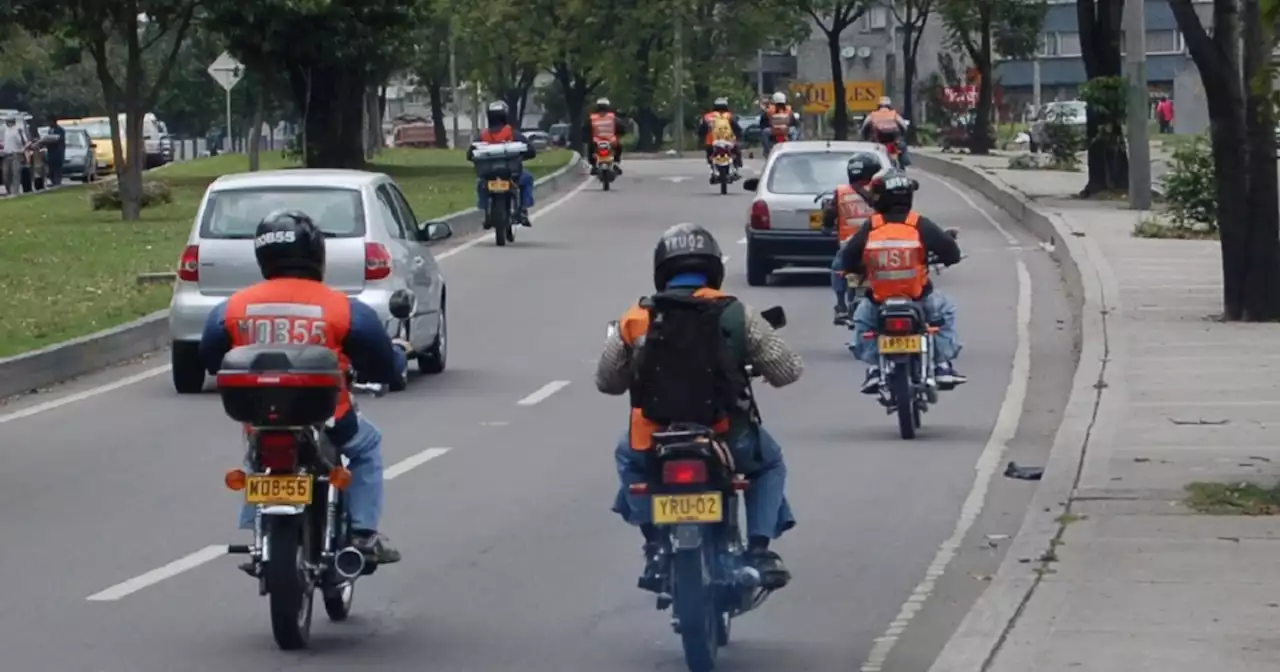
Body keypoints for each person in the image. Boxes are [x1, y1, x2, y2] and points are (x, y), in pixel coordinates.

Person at [597, 223, 803, 594]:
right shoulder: (736, 313)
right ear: (713, 268)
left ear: (662, 270)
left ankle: (655, 545)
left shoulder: (635, 317)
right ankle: (759, 550)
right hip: (726, 436)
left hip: (654, 440)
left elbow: (607, 382)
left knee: (627, 458)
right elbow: (788, 370)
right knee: (769, 464)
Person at [198, 210, 407, 571]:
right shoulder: (341, 307)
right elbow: (381, 362)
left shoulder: (231, 308)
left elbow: (210, 356)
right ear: (316, 254)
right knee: (367, 447)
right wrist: (396, 362)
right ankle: (364, 534)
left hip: (259, 418)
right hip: (329, 419)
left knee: (256, 458)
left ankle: (255, 528)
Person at [838, 170, 967, 393]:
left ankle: (875, 369)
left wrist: (858, 269)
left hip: (878, 303)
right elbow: (952, 254)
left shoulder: (872, 226)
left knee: (862, 321)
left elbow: (847, 259)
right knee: (945, 312)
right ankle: (941, 365)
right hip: (920, 299)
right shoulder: (918, 223)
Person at [821, 151, 886, 325]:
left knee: (837, 268)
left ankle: (841, 305)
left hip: (849, 246)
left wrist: (826, 227)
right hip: (879, 243)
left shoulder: (841, 192)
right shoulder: (881, 190)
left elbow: (828, 215)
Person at [469, 101, 537, 227]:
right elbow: (531, 150)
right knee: (527, 179)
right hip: (512, 174)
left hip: (488, 174)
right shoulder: (513, 134)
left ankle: (485, 210)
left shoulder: (483, 136)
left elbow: (470, 154)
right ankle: (523, 209)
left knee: (481, 184)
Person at [695, 97, 744, 182]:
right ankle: (736, 169)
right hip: (728, 142)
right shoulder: (729, 116)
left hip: (711, 142)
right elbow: (737, 129)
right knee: (736, 153)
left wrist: (701, 136)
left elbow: (701, 130)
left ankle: (712, 169)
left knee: (710, 155)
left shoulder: (707, 117)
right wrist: (739, 136)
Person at [860, 97, 911, 168]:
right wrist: (902, 135)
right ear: (889, 106)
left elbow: (864, 127)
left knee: (868, 153)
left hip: (878, 141)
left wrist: (865, 137)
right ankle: (903, 165)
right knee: (902, 146)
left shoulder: (873, 115)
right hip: (893, 140)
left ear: (878, 106)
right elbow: (904, 126)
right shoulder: (894, 114)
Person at [585, 97, 627, 175]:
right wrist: (620, 134)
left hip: (597, 140)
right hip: (611, 140)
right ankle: (616, 163)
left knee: (590, 149)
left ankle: (594, 166)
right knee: (619, 147)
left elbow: (586, 128)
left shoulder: (592, 117)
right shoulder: (612, 117)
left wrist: (586, 137)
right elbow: (621, 127)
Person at [757, 91, 799, 156]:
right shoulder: (788, 109)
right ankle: (792, 148)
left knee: (764, 132)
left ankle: (767, 151)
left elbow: (762, 123)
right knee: (794, 131)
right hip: (786, 131)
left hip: (773, 131)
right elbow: (793, 122)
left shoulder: (769, 110)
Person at [1, 116, 27, 196]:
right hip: (7, 154)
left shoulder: (18, 130)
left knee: (15, 174)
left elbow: (24, 142)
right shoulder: (6, 131)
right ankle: (9, 191)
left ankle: (15, 192)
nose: (7, 123)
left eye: (8, 121)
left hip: (16, 154)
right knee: (6, 174)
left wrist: (23, 151)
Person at [46, 117, 65, 187]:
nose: (48, 124)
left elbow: (59, 139)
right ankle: (53, 182)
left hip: (58, 153)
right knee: (51, 170)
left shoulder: (60, 130)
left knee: (57, 169)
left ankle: (57, 183)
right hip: (50, 153)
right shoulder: (50, 130)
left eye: (49, 122)